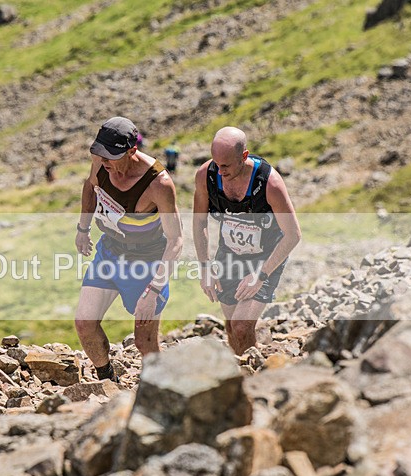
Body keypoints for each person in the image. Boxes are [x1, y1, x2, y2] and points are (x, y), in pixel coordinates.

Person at [75, 117, 183, 382]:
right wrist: (83, 228)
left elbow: (176, 240)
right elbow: (90, 185)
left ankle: (160, 391)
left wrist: (154, 289)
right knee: (85, 325)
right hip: (109, 251)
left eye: (112, 157)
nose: (105, 163)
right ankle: (106, 379)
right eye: (101, 155)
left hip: (145, 262)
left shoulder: (158, 184)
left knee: (144, 341)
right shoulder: (101, 160)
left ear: (133, 151)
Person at [193, 127, 301, 356]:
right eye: (216, 164)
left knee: (242, 325)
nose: (220, 172)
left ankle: (254, 380)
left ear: (244, 156)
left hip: (266, 255)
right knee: (233, 327)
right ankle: (251, 362)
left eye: (226, 166)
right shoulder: (206, 176)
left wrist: (261, 275)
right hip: (230, 253)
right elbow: (199, 222)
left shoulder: (270, 183)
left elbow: (293, 234)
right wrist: (205, 266)